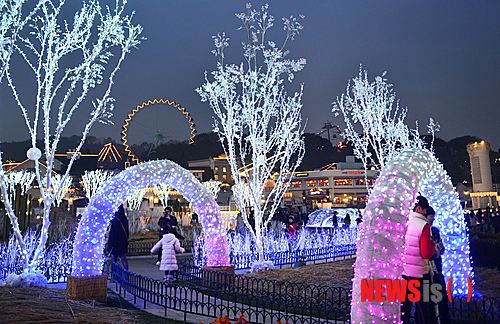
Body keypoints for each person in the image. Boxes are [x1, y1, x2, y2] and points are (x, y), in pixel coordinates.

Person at [401, 196, 436, 324]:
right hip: (421, 274)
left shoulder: (404, 221)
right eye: (424, 209)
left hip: (405, 273)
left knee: (404, 307)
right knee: (424, 309)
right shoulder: (423, 225)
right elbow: (426, 253)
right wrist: (433, 245)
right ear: (419, 208)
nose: (426, 212)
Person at [426, 206, 450, 324]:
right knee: (429, 300)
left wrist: (440, 249)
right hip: (427, 270)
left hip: (437, 268)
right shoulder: (423, 232)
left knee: (441, 298)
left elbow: (441, 247)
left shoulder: (435, 231)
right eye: (431, 218)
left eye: (433, 218)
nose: (432, 220)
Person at [107, 205, 129, 270]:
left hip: (115, 240)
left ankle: (115, 273)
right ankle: (126, 272)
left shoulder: (114, 219)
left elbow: (112, 231)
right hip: (122, 240)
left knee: (115, 257)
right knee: (122, 257)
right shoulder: (124, 219)